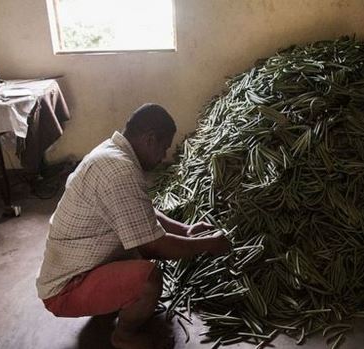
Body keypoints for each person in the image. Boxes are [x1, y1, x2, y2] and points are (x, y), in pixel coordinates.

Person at [36, 103, 232, 349]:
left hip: (80, 266)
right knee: (148, 278)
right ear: (150, 139)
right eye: (163, 148)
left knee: (135, 246)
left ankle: (111, 300)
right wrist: (208, 244)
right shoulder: (119, 170)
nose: (163, 156)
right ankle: (124, 337)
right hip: (65, 289)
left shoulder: (113, 153)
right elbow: (154, 247)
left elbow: (141, 212)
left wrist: (186, 231)